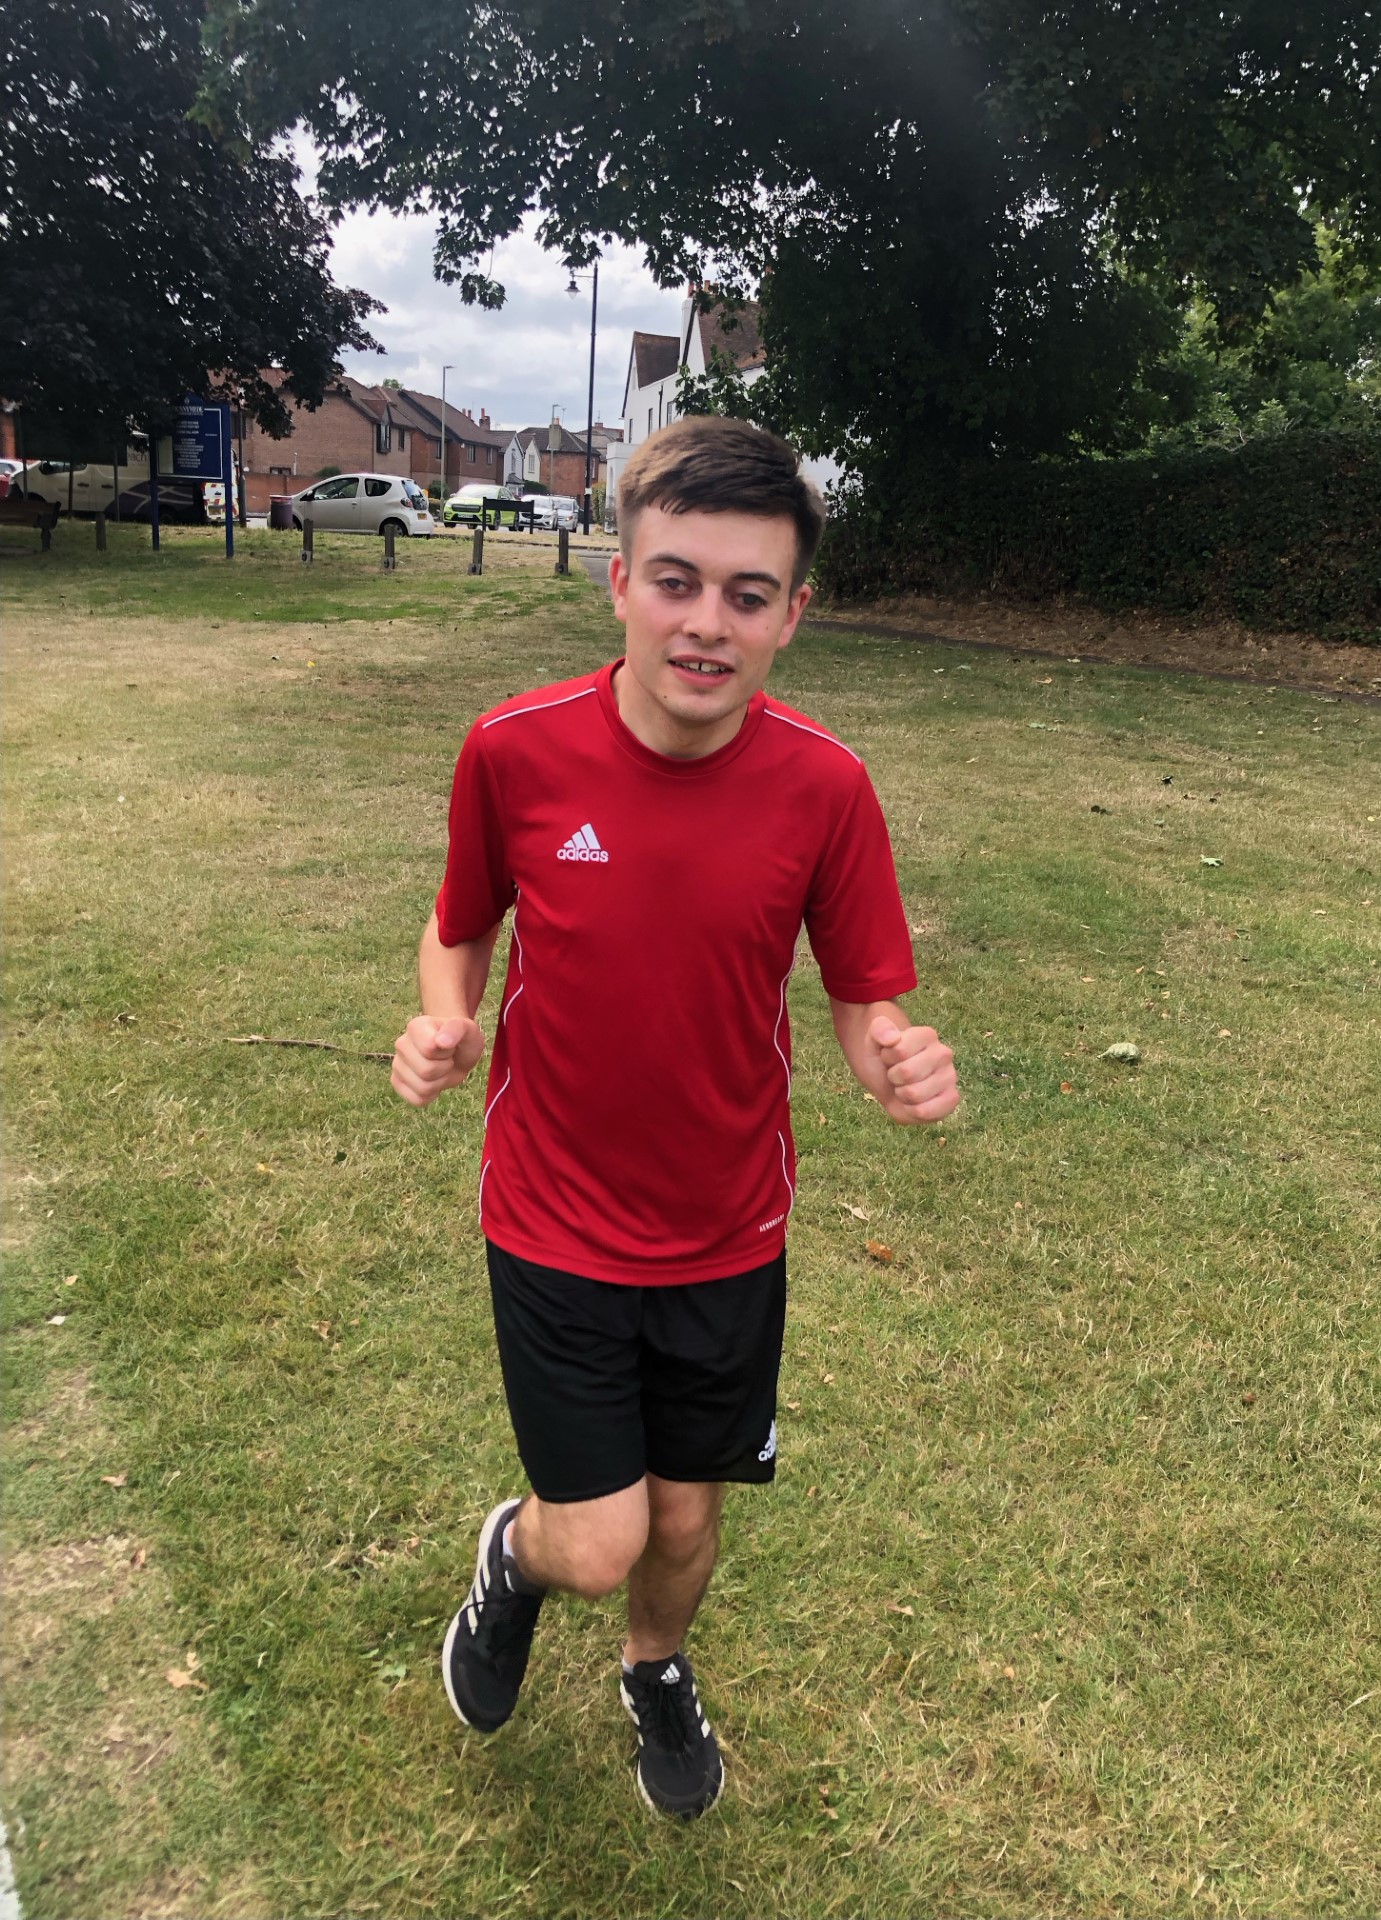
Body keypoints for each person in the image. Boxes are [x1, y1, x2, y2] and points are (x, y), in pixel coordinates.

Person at [390, 414, 959, 1820]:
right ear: (621, 582)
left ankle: (655, 1669)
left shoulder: (826, 786)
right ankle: (515, 1564)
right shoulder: (515, 752)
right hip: (552, 1214)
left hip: (725, 1228)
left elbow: (862, 989)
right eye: (677, 581)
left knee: (688, 1526)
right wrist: (444, 1017)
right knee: (598, 1540)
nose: (707, 624)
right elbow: (460, 925)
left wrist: (891, 1056)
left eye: (747, 596)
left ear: (793, 616)